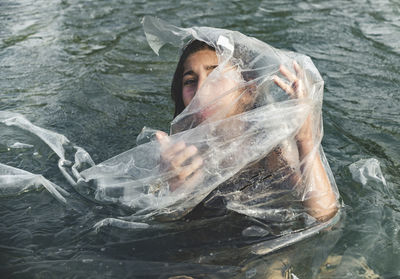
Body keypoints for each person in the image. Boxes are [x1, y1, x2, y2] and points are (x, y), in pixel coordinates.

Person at [154, 39, 338, 223]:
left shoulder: (274, 150)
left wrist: (305, 140)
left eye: (215, 76)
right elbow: (160, 222)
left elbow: (323, 215)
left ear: (248, 89)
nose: (201, 89)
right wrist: (175, 191)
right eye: (190, 81)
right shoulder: (176, 156)